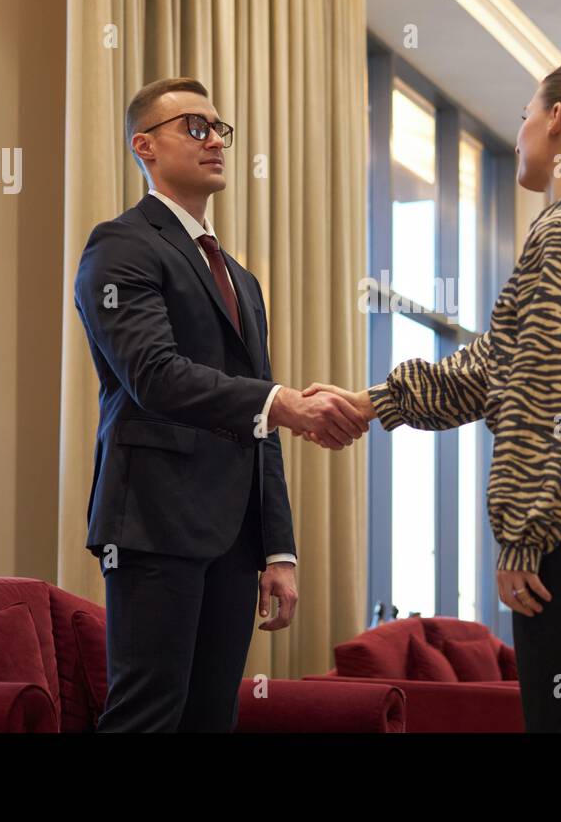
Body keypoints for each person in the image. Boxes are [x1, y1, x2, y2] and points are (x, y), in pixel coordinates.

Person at [305, 58, 561, 731]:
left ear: (557, 118)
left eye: (525, 114)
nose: (520, 131)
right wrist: (373, 401)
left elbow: (549, 393)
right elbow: (494, 367)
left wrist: (523, 537)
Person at [73, 77, 367, 731]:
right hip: (153, 520)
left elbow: (258, 416)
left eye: (219, 128)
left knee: (212, 719)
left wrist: (278, 551)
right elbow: (155, 376)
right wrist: (283, 402)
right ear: (143, 146)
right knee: (148, 715)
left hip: (234, 535)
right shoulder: (120, 245)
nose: (215, 141)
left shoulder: (241, 278)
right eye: (195, 127)